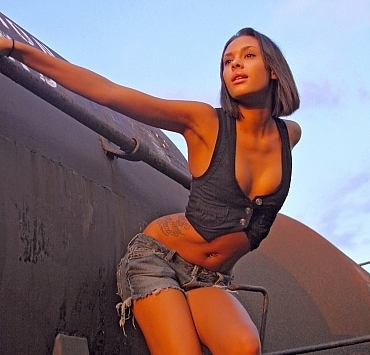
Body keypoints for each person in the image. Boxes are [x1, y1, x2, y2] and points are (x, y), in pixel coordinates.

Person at [0, 28, 301, 355]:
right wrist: (19, 50)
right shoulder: (204, 122)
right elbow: (109, 93)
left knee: (244, 347)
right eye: (227, 61)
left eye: (248, 56)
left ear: (273, 69)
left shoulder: (290, 136)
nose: (235, 65)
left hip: (210, 279)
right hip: (158, 260)